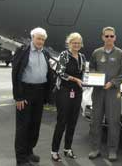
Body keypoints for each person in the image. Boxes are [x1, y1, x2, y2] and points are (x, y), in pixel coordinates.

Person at [12, 27, 55, 166]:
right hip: (25, 91)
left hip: (39, 92)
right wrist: (18, 97)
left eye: (43, 39)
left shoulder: (45, 54)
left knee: (34, 125)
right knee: (23, 127)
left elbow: (49, 75)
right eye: (38, 38)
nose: (41, 41)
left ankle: (29, 152)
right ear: (32, 38)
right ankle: (21, 159)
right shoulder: (23, 51)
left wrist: (48, 95)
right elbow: (15, 74)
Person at [88, 27, 122, 161]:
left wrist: (113, 83)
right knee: (95, 121)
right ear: (102, 37)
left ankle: (112, 150)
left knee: (113, 122)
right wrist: (95, 78)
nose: (109, 38)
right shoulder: (96, 53)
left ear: (115, 38)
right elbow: (92, 67)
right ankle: (95, 149)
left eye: (111, 36)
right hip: (98, 92)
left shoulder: (120, 54)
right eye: (107, 36)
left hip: (113, 92)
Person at [51, 32, 87, 162]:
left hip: (77, 92)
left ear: (81, 44)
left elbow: (83, 73)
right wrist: (75, 79)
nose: (76, 45)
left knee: (73, 122)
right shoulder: (64, 55)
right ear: (69, 43)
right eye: (74, 43)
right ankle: (54, 151)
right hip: (64, 91)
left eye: (78, 43)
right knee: (62, 122)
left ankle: (67, 149)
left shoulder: (82, 57)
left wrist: (87, 81)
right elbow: (59, 72)